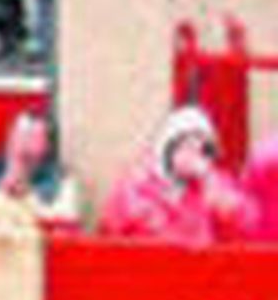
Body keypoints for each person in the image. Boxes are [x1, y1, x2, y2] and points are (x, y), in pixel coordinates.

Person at [100, 103, 254, 247]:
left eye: (202, 147)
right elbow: (155, 237)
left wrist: (218, 197)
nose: (193, 152)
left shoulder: (215, 182)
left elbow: (247, 228)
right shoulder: (135, 186)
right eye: (185, 144)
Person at [0, 106, 83, 237]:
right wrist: (1, 195)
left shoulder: (63, 183)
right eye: (18, 135)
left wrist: (27, 198)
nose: (22, 144)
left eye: (33, 138)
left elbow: (66, 234)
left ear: (48, 147)